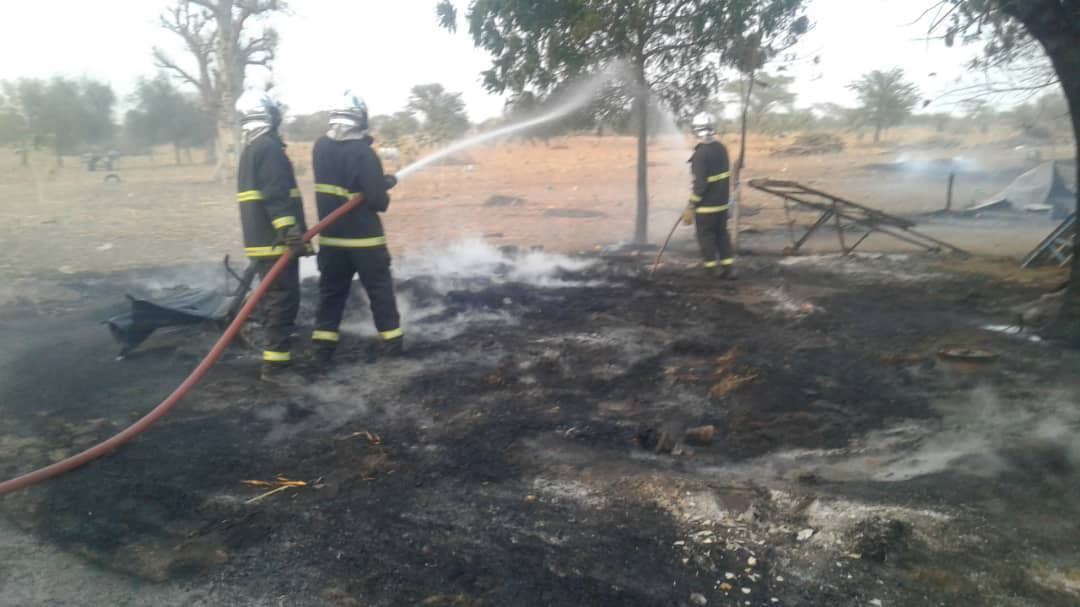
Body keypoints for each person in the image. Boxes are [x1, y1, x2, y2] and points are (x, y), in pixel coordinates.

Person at [310, 90, 402, 366]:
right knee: (380, 292)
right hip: (365, 241)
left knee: (331, 295)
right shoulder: (364, 152)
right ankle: (393, 344)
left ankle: (322, 351)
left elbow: (344, 185)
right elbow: (377, 201)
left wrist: (373, 184)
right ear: (359, 118)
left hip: (331, 240)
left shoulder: (320, 148)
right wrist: (382, 187)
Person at [235, 88, 311, 386]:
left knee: (271, 299)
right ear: (269, 116)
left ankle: (274, 357)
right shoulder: (268, 149)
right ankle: (277, 368)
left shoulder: (251, 148)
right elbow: (276, 195)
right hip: (275, 241)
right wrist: (289, 231)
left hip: (260, 240)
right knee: (283, 299)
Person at [684, 113, 736, 279]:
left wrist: (692, 204)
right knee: (722, 236)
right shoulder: (721, 148)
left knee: (706, 238)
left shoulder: (700, 154)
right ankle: (728, 269)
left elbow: (701, 184)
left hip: (706, 207)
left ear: (696, 130)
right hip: (722, 204)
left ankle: (710, 271)